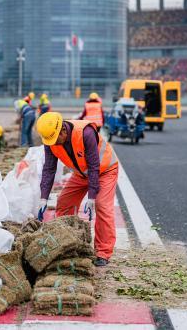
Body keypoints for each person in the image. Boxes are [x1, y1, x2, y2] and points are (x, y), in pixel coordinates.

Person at [36, 111, 119, 267]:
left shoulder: (85, 133)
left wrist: (92, 197)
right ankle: (66, 243)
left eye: (55, 139)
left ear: (63, 130)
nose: (53, 144)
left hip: (105, 170)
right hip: (81, 173)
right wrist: (43, 198)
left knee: (102, 206)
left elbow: (94, 166)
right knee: (64, 202)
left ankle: (103, 252)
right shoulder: (50, 141)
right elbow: (49, 169)